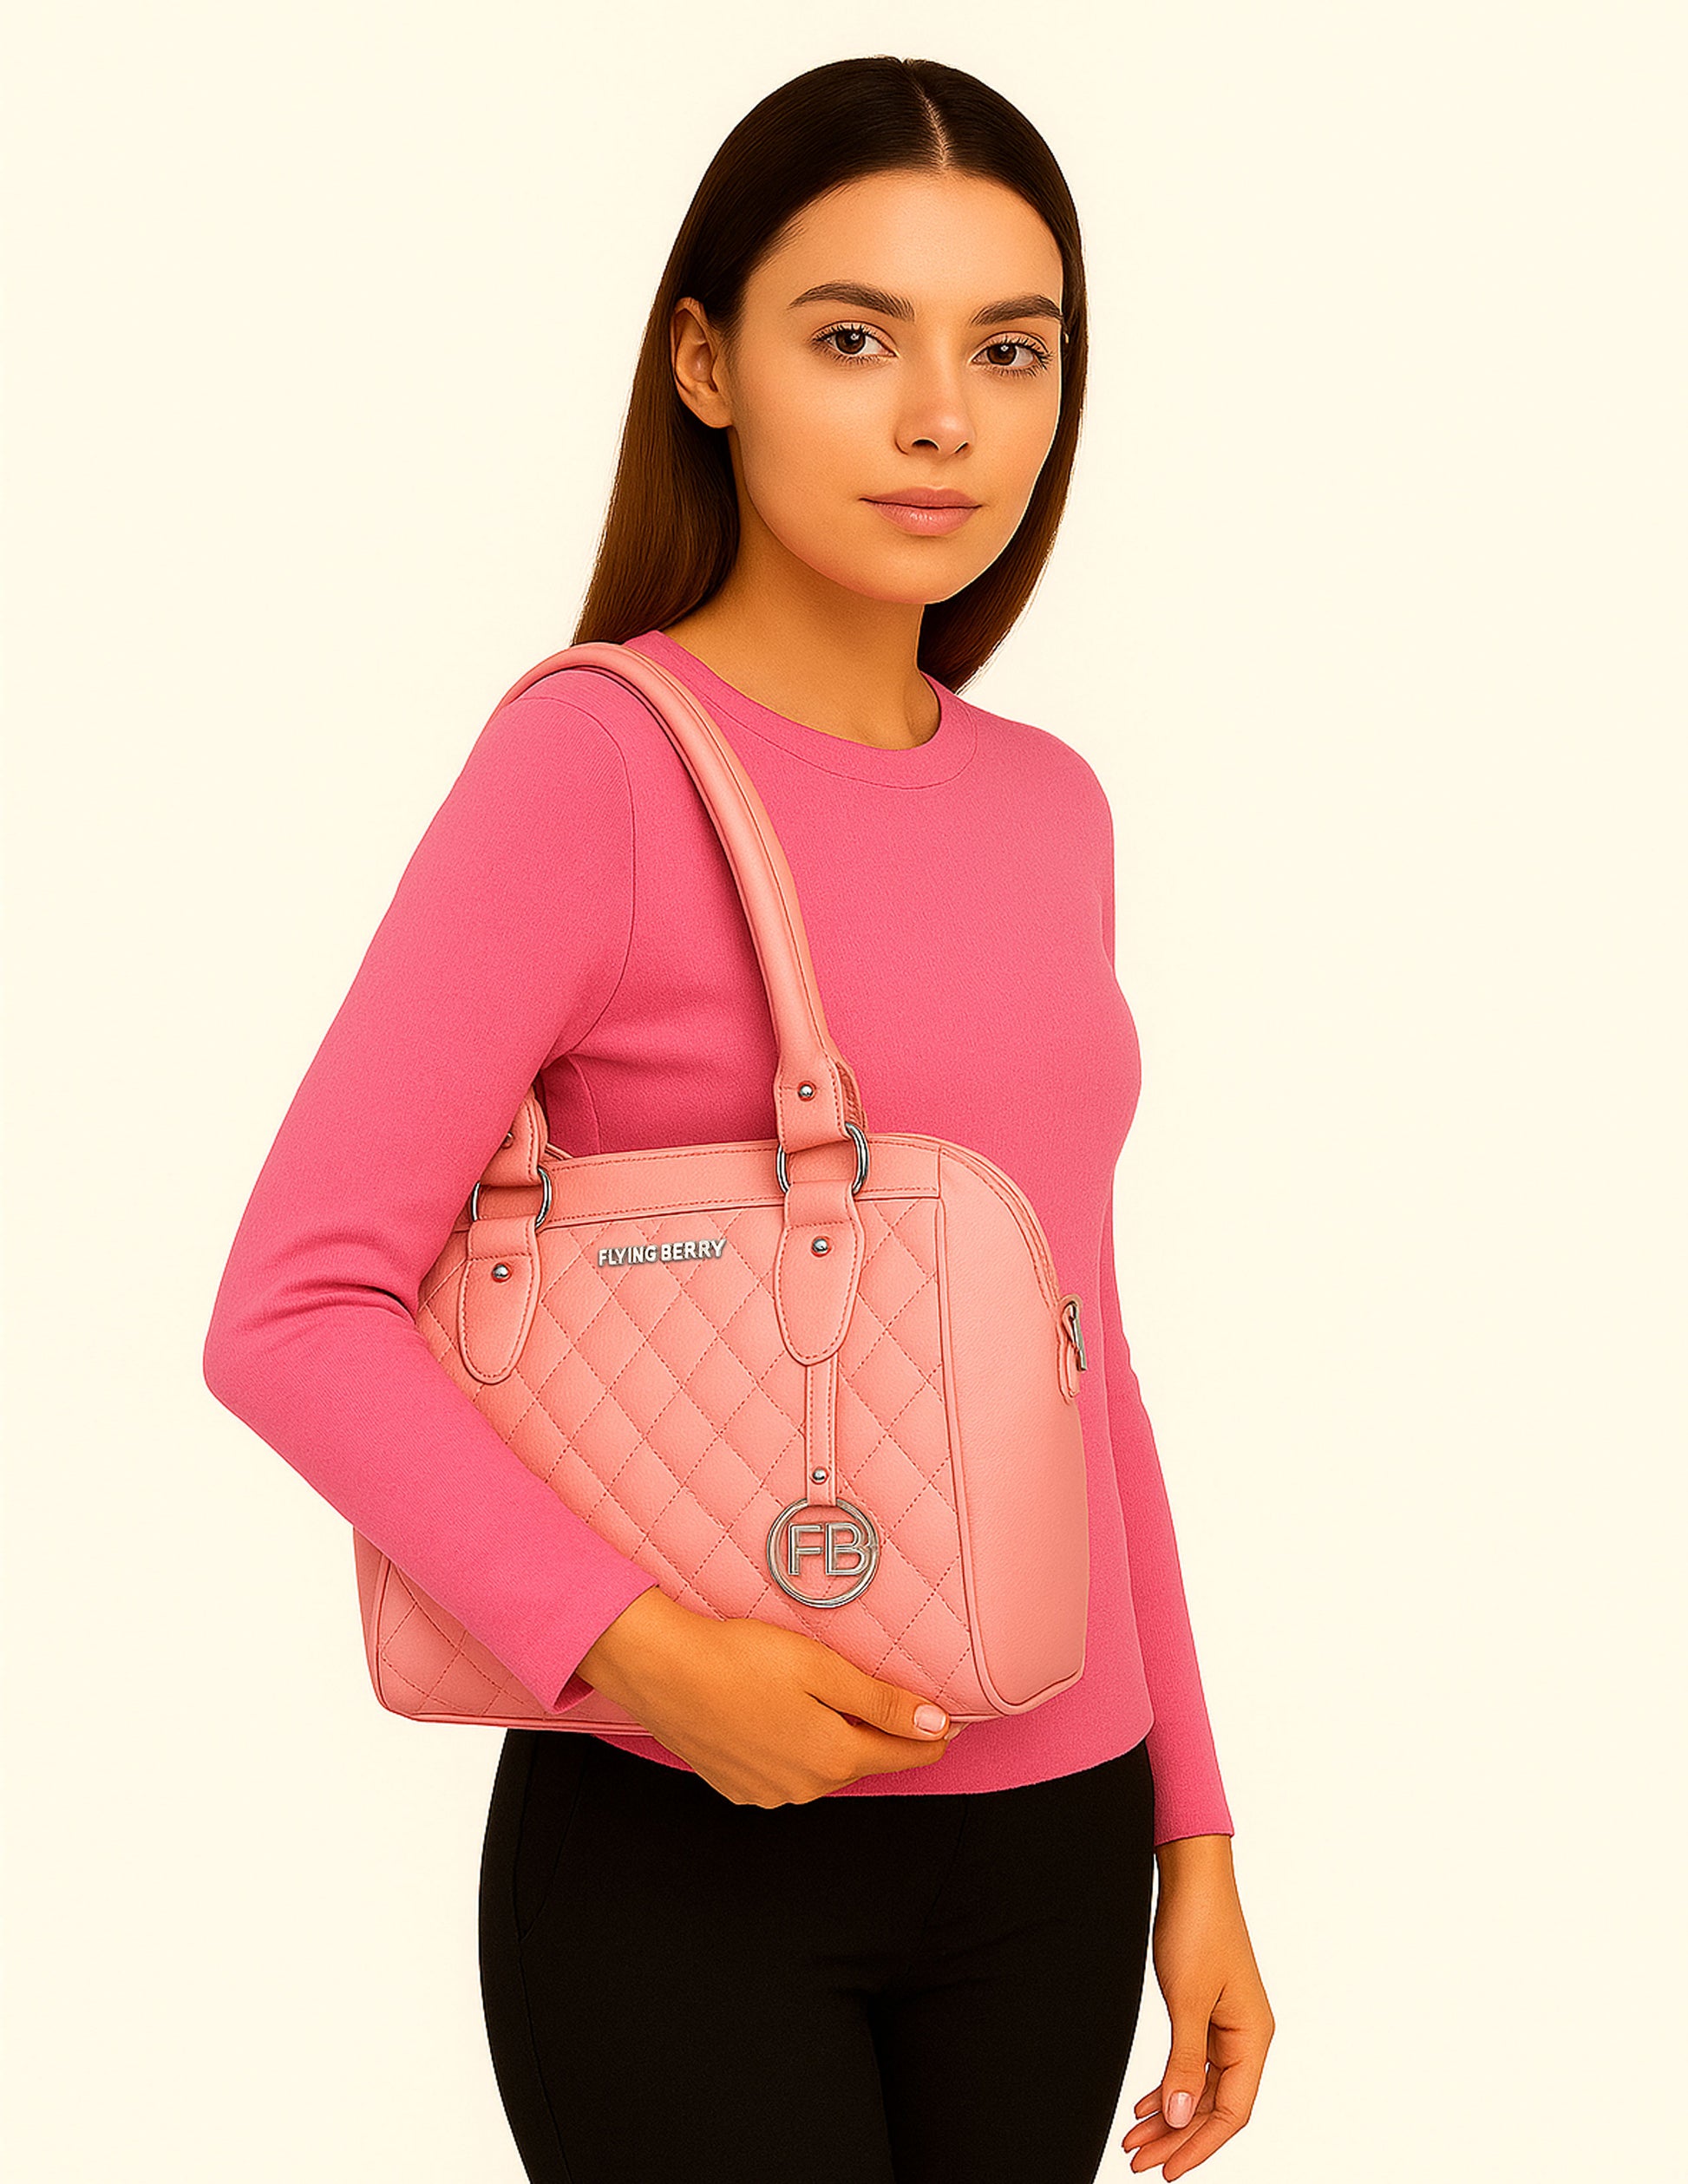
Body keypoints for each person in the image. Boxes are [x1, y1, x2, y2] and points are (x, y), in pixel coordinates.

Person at [201, 53, 1274, 2184]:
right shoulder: (596, 766)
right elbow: (292, 1308)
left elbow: (1086, 1356)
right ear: (705, 362)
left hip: (1057, 1847)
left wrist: (1197, 1830)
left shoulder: (1052, 805)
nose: (942, 416)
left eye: (1010, 348)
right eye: (855, 337)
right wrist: (645, 1656)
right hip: (685, 1847)